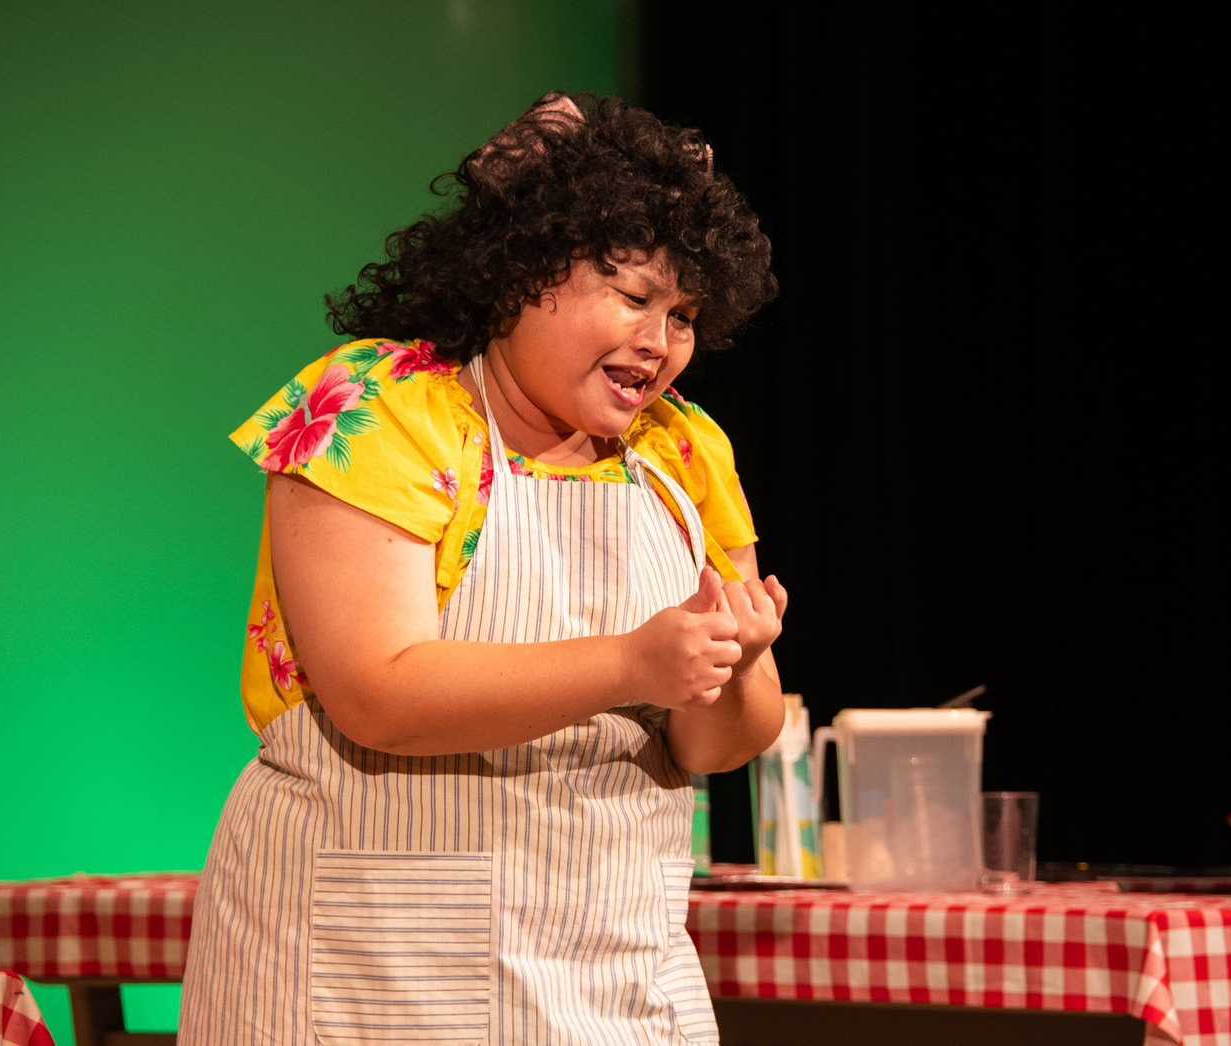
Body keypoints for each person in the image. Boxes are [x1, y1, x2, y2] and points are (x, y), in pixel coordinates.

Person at [179, 91, 784, 1044]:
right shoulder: (383, 407)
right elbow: (379, 694)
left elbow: (716, 746)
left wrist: (733, 663)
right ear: (519, 275)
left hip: (610, 966)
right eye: (635, 298)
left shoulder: (682, 449)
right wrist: (631, 664)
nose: (660, 343)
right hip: (377, 965)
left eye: (684, 315)